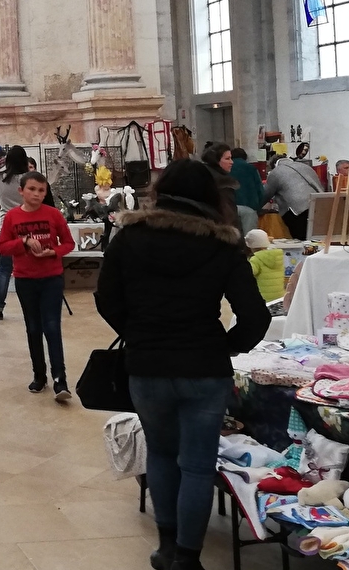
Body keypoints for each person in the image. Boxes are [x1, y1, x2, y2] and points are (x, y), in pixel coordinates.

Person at [95, 158, 269, 570]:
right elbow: (256, 316)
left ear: (160, 191)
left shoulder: (130, 235)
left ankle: (166, 547)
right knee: (197, 463)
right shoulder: (222, 242)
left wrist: (138, 332)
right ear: (210, 196)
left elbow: (105, 297)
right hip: (204, 365)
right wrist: (226, 345)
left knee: (160, 453)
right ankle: (188, 558)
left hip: (148, 364)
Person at [0, 172, 76, 401]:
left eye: (41, 190)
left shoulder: (53, 214)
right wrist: (23, 241)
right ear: (21, 191)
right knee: (33, 328)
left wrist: (55, 251)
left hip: (51, 277)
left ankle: (60, 379)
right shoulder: (12, 217)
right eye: (32, 189)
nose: (37, 194)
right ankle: (39, 375)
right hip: (25, 279)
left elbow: (69, 243)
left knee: (52, 327)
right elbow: (3, 247)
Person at [0, 146, 31, 321]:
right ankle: (31, 305)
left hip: (7, 223)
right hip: (27, 223)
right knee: (30, 266)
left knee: (4, 268)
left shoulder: (0, 178)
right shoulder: (27, 180)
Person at [264, 153, 323, 240]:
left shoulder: (275, 172)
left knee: (301, 240)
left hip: (298, 210)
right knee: (318, 239)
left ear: (273, 165)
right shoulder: (306, 167)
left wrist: (255, 207)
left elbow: (266, 195)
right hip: (320, 204)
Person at [245, 229, 285, 302]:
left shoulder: (256, 259)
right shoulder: (277, 256)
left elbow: (248, 273)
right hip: (279, 296)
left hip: (262, 297)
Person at [228, 147, 265, 213]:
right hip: (251, 207)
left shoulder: (226, 168)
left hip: (231, 208)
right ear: (245, 157)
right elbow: (260, 190)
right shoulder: (251, 169)